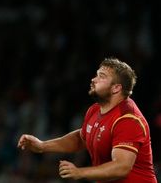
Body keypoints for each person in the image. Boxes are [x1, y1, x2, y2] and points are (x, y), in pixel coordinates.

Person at [17, 57, 157, 182]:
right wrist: (42, 146)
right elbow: (82, 137)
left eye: (101, 76)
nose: (93, 79)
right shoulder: (95, 109)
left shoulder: (128, 119)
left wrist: (80, 172)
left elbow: (122, 167)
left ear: (116, 88)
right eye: (96, 75)